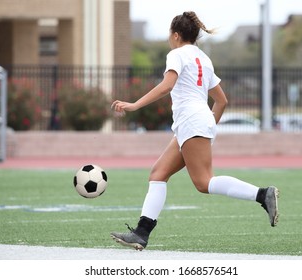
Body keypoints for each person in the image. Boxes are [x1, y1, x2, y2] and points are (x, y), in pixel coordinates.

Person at [110, 11, 279, 251]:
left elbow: (167, 86)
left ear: (176, 35)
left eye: (170, 34)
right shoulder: (204, 58)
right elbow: (221, 101)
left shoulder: (176, 54)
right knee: (157, 174)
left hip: (191, 122)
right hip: (195, 122)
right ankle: (141, 232)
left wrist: (135, 104)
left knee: (204, 182)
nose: (170, 38)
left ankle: (262, 194)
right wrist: (208, 125)